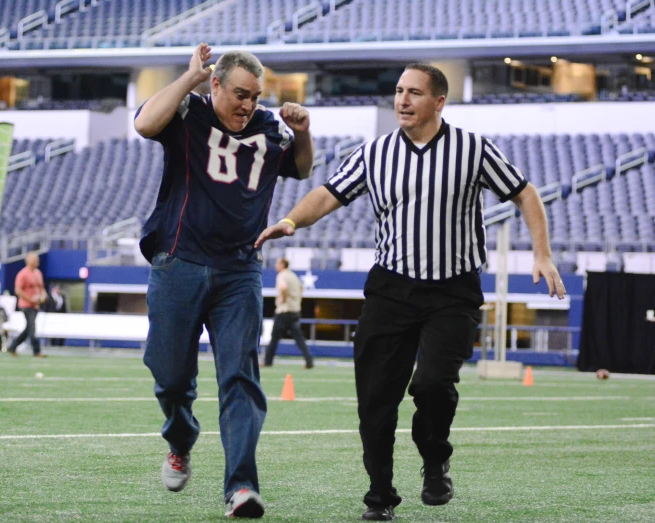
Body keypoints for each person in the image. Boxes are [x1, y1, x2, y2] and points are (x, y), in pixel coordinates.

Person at [255, 63, 565, 521]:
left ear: (438, 101)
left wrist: (542, 253)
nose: (402, 99)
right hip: (391, 289)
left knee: (433, 384)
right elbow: (328, 193)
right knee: (375, 402)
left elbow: (525, 193)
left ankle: (435, 457)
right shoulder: (375, 152)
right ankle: (380, 497)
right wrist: (291, 220)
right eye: (399, 91)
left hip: (452, 291)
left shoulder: (472, 148)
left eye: (414, 92)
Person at [134, 43, 314, 518]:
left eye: (255, 96)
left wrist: (304, 132)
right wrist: (188, 78)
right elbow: (144, 124)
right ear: (215, 84)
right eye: (239, 94)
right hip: (179, 262)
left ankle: (241, 486)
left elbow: (301, 167)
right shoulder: (187, 111)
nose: (247, 105)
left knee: (241, 377)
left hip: (240, 269)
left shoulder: (270, 129)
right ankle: (180, 437)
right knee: (170, 376)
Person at [262, 257, 314, 369]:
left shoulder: (282, 275)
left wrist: (283, 299)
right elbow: (301, 288)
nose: (276, 266)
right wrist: (296, 300)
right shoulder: (293, 275)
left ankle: (267, 361)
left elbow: (283, 287)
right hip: (295, 310)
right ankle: (309, 361)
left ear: (282, 265)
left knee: (274, 337)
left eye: (277, 263)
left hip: (284, 311)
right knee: (299, 338)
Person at [7, 252, 46, 357]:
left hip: (36, 305)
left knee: (28, 329)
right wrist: (30, 299)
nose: (37, 261)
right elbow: (18, 290)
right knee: (32, 328)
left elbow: (42, 289)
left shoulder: (38, 273)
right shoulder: (23, 274)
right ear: (28, 260)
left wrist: (43, 297)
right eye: (35, 259)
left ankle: (12, 347)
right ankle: (36, 351)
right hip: (26, 305)